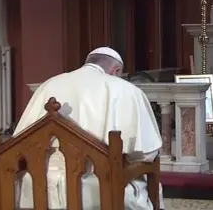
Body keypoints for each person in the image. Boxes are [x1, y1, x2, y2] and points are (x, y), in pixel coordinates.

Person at [13, 47, 165, 210]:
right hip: (97, 187)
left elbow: (19, 141)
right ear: (116, 70)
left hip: (38, 185)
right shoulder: (126, 90)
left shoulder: (48, 85)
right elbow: (147, 155)